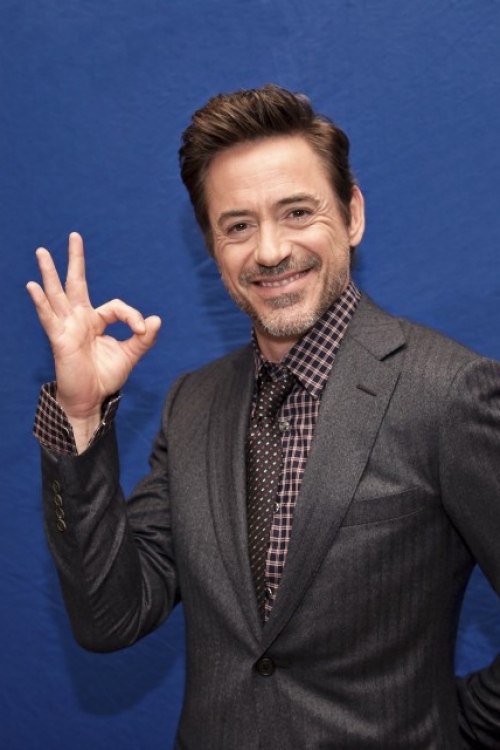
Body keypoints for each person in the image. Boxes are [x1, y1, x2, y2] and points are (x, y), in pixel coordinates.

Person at [27, 85, 500, 749]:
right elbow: (111, 618)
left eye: (297, 212)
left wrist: (451, 731)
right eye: (239, 226)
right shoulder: (192, 404)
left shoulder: (448, 392)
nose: (271, 251)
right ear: (212, 246)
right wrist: (79, 415)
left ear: (352, 214)